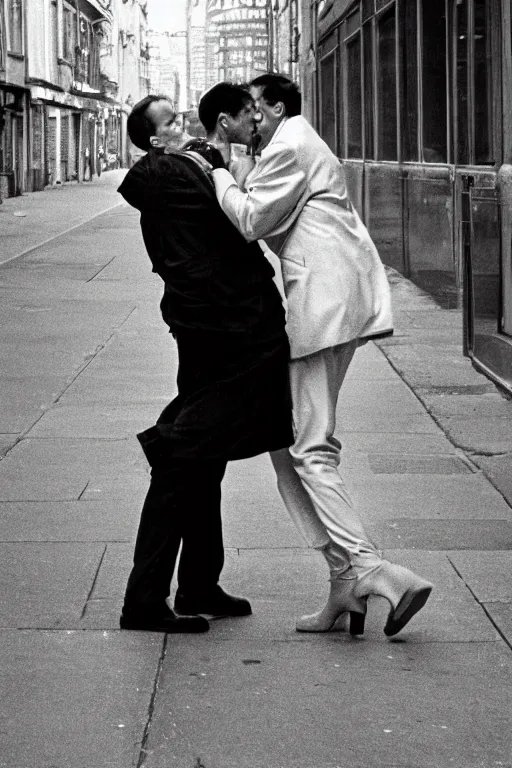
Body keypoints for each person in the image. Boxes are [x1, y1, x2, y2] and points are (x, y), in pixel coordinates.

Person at [199, 74, 433, 637]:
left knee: (307, 449)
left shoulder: (290, 146)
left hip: (325, 304)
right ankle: (342, 585)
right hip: (333, 298)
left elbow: (253, 219)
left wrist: (214, 172)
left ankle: (376, 570)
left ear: (278, 108)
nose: (251, 117)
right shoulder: (291, 144)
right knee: (292, 445)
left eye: (257, 107)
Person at [116, 89, 293, 633]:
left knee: (204, 456)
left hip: (215, 330)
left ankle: (198, 581)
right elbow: (203, 254)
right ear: (153, 138)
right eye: (170, 120)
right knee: (184, 453)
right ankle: (144, 600)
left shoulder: (189, 165)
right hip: (225, 334)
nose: (183, 123)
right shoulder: (168, 174)